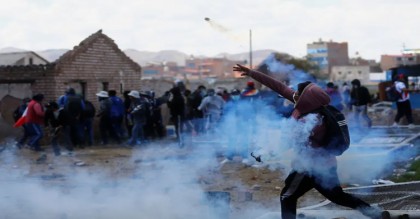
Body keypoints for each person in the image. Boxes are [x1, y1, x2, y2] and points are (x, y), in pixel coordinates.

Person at [233, 64, 382, 219]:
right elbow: (279, 87)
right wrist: (251, 73)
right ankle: (374, 213)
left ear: (306, 98)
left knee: (287, 196)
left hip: (308, 168)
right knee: (338, 196)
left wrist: (264, 155)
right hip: (326, 165)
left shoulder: (311, 120)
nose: (294, 94)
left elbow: (287, 143)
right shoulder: (309, 106)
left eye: (298, 93)